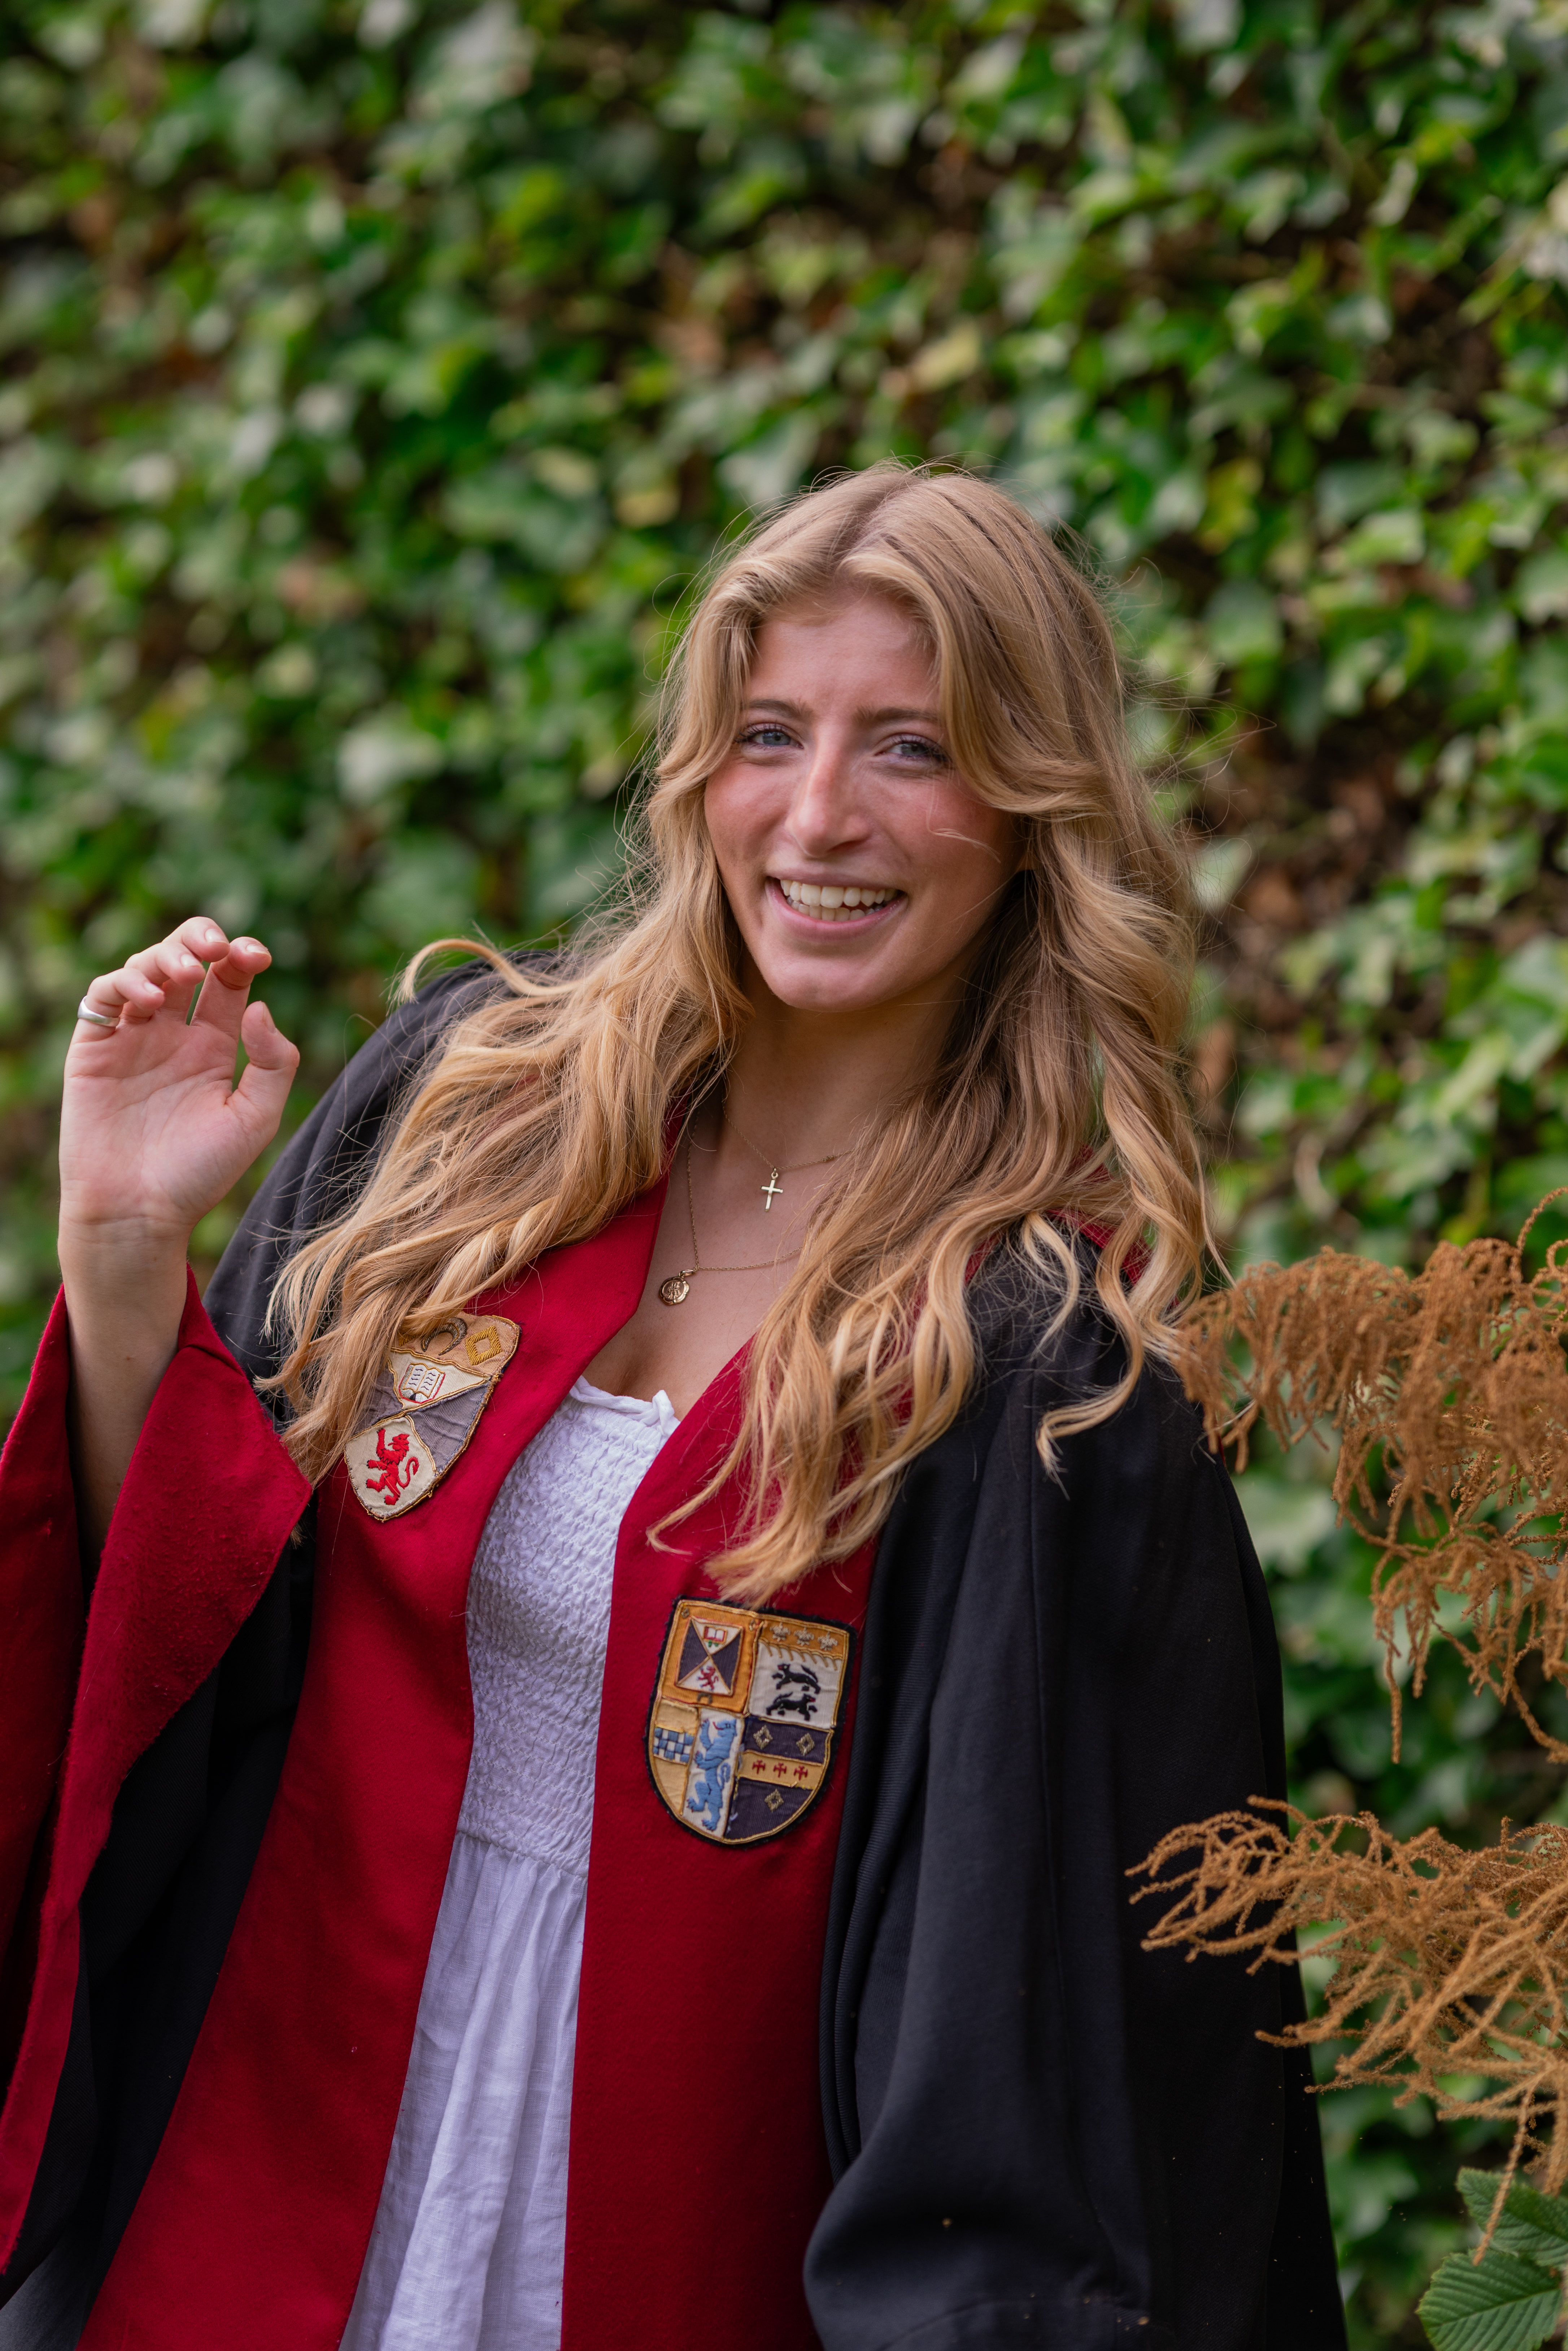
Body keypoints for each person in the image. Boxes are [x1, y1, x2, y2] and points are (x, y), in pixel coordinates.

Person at [0, 463, 1343, 2351]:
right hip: (282, 2141)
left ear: (1030, 810)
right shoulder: (468, 1118)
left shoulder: (1040, 1367)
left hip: (685, 2239)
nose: (819, 814)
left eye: (912, 748)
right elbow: (182, 1633)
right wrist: (126, 1249)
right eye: (770, 733)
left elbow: (1048, 2030)